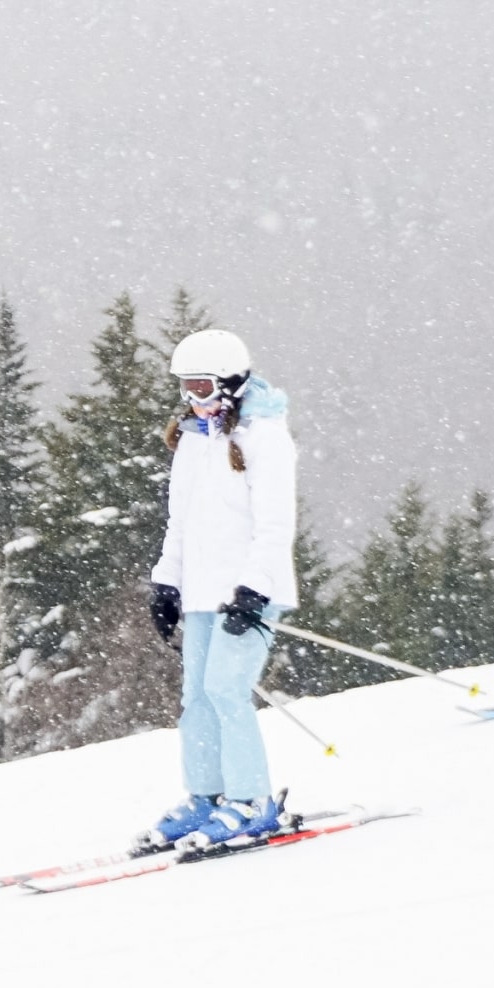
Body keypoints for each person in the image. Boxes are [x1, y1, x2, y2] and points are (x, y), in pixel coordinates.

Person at [135, 328, 300, 854]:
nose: (193, 398)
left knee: (228, 690)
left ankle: (252, 803)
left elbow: (275, 527)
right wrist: (166, 582)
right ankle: (207, 797)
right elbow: (178, 524)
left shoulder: (263, 436)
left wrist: (255, 587)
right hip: (202, 591)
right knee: (197, 698)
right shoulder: (191, 442)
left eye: (202, 386)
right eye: (186, 387)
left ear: (231, 382)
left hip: (250, 592)